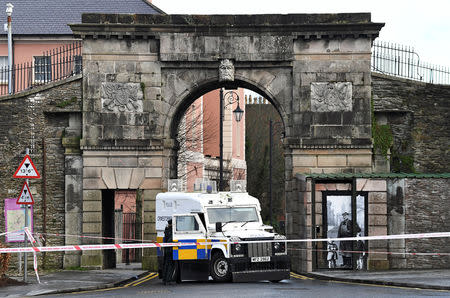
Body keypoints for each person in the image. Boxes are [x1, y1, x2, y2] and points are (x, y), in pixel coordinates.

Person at [162, 219, 175, 284]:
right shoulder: (171, 230)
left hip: (166, 249)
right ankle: (168, 279)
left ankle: (164, 279)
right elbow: (170, 240)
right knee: (171, 265)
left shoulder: (166, 230)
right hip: (170, 250)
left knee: (166, 264)